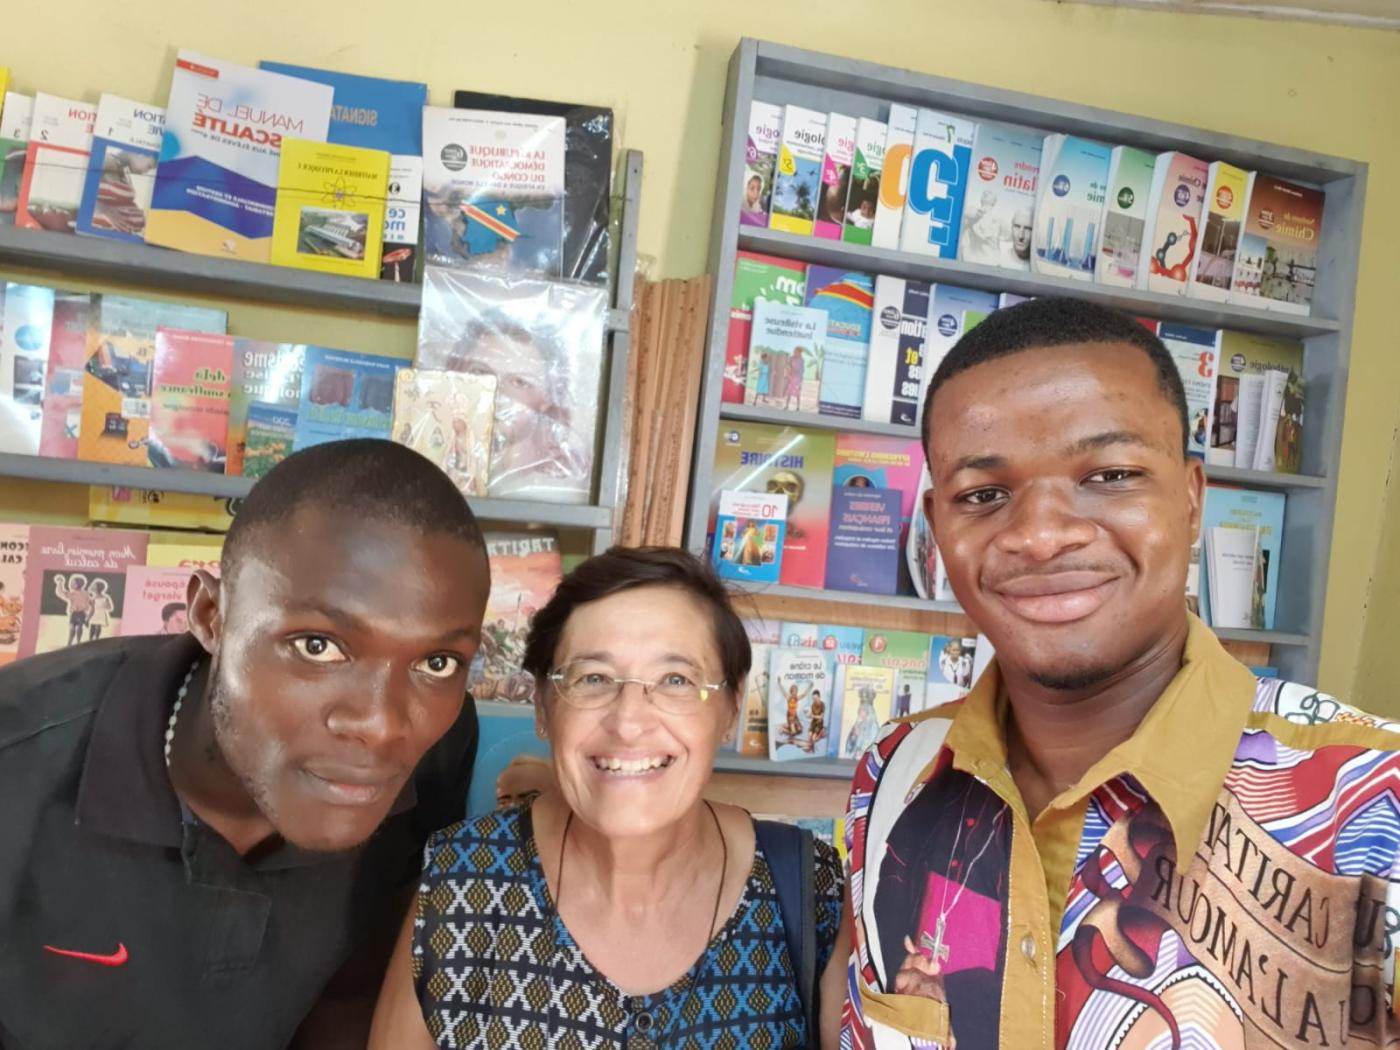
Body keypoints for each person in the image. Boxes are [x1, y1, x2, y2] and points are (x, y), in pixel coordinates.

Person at [841, 297, 1400, 1049]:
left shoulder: (1372, 802)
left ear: (1193, 500)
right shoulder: (895, 773)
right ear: (939, 527)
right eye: (983, 495)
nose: (1039, 535)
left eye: (1108, 474)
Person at [0, 440, 491, 1049]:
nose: (382, 724)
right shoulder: (17, 764)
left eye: (438, 661)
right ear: (211, 615)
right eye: (318, 646)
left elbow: (364, 977)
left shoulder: (438, 751)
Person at [371, 546, 848, 1049]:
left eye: (676, 680)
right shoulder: (460, 877)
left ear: (730, 707)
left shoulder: (806, 887)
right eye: (593, 679)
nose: (628, 722)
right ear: (543, 706)